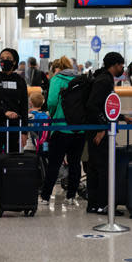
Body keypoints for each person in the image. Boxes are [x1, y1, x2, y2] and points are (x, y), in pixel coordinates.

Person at [85, 52, 132, 214]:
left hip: (95, 129)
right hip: (99, 131)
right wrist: (102, 128)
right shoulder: (104, 80)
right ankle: (103, 205)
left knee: (94, 168)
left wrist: (123, 117)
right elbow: (93, 105)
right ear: (114, 65)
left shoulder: (101, 77)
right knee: (103, 169)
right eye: (121, 65)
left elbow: (104, 108)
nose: (123, 68)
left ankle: (93, 205)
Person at [0, 48, 28, 201]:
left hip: (14, 127)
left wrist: (24, 131)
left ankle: (12, 194)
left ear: (14, 61)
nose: (5, 60)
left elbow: (24, 106)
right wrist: (5, 112)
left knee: (13, 160)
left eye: (8, 57)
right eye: (2, 57)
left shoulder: (20, 81)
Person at [40, 56, 85, 206]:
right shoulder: (81, 79)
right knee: (75, 163)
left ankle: (46, 196)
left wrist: (52, 114)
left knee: (54, 163)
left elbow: (51, 102)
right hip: (79, 129)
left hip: (61, 127)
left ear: (56, 69)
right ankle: (71, 196)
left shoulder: (57, 79)